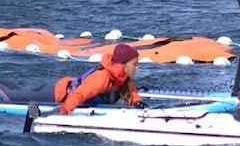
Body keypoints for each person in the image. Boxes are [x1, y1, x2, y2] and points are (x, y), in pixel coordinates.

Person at [0, 43, 146, 114]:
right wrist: (63, 111)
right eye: (134, 64)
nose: (137, 67)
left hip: (66, 89)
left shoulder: (123, 78)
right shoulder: (101, 78)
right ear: (122, 65)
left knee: (20, 91)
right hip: (57, 93)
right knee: (14, 96)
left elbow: (131, 93)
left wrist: (138, 103)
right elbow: (79, 95)